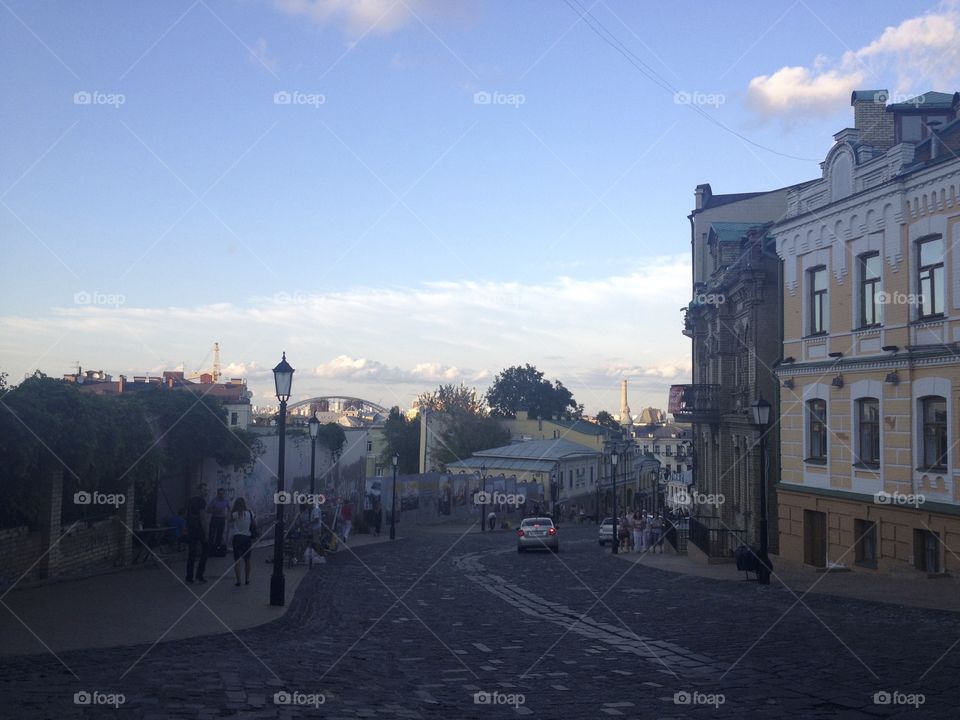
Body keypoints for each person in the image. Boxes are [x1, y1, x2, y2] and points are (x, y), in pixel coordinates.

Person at [230, 497, 255, 586]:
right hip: (247, 538)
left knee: (237, 560)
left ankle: (238, 581)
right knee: (247, 560)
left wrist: (233, 509)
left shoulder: (235, 514)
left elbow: (229, 520)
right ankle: (247, 579)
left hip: (237, 538)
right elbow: (254, 523)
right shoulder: (250, 512)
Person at [184, 497, 208, 584]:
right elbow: (203, 519)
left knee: (191, 554)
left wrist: (186, 528)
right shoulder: (201, 501)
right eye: (204, 490)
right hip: (200, 530)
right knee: (205, 553)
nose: (206, 492)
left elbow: (186, 516)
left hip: (191, 530)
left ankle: (189, 577)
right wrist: (206, 533)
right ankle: (199, 575)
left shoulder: (190, 502)